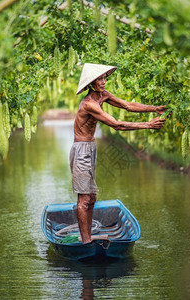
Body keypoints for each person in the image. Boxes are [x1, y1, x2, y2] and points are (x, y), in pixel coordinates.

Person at [70, 63, 166, 244]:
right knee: (84, 199)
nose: (103, 81)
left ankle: (88, 237)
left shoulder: (102, 96)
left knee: (92, 197)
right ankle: (86, 242)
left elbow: (128, 105)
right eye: (99, 79)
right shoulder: (89, 104)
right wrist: (147, 125)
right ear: (91, 83)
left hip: (91, 148)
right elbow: (116, 124)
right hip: (81, 150)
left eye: (105, 77)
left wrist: (154, 108)